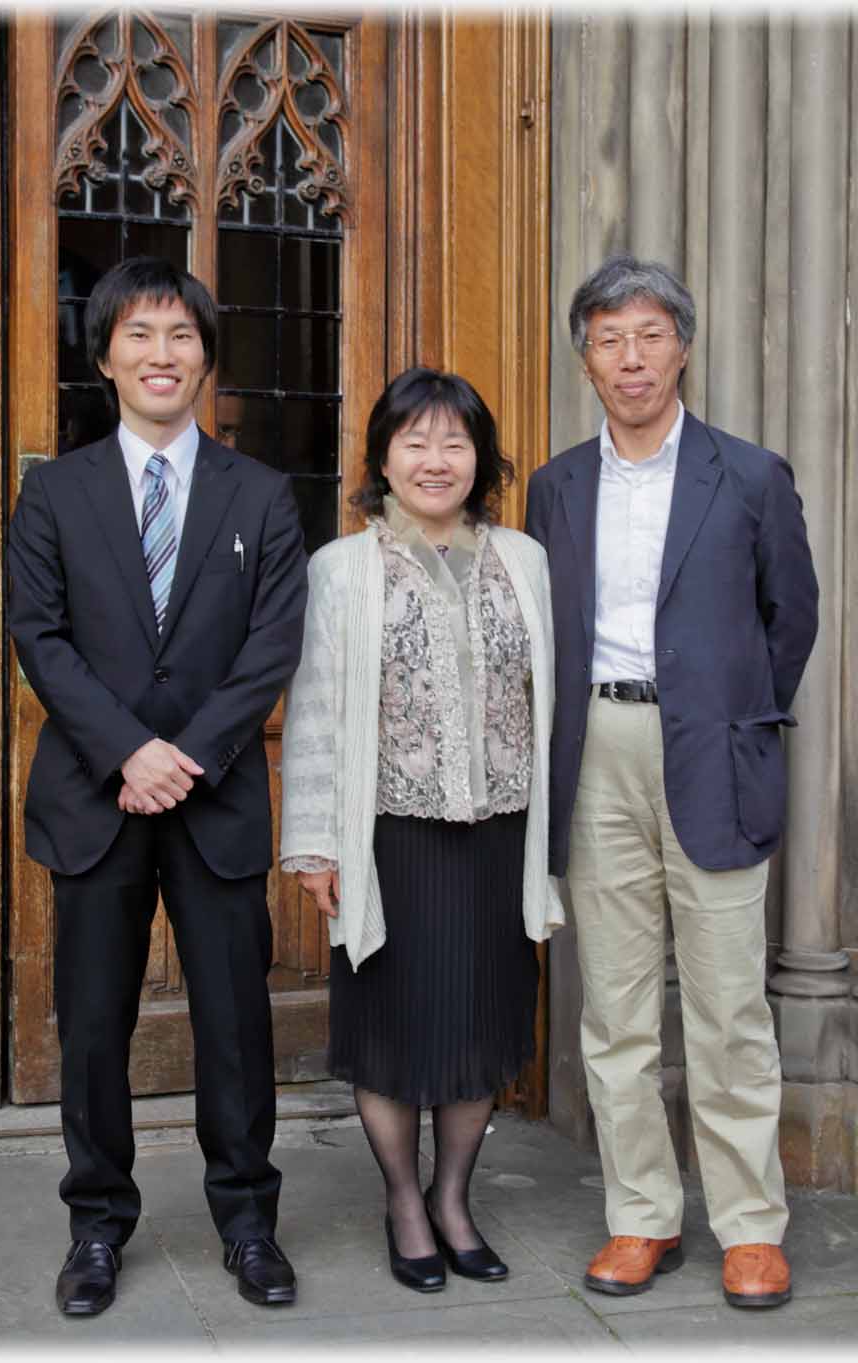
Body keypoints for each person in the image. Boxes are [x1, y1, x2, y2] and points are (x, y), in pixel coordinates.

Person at [6, 257, 308, 1316]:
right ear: (105, 358)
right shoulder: (55, 491)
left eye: (180, 335)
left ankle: (248, 1221)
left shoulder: (260, 495)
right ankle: (96, 1224)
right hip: (97, 796)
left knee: (234, 1021)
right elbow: (38, 636)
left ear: (205, 356)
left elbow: (272, 643)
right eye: (139, 335)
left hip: (216, 796)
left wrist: (191, 754)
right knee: (93, 1023)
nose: (161, 354)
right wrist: (128, 752)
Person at [525, 254, 819, 1308]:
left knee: (732, 1002)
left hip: (713, 752)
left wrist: (734, 709)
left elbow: (793, 618)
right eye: (610, 338)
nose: (632, 357)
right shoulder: (556, 486)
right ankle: (641, 1214)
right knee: (614, 1006)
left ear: (683, 347)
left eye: (650, 335)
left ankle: (749, 1226)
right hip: (593, 748)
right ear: (585, 357)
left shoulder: (748, 475)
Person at [279, 367, 563, 1292]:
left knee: (483, 1021)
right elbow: (316, 707)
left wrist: (550, 842)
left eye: (454, 442)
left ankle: (453, 1197)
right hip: (389, 837)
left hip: (499, 834)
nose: (435, 460)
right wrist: (317, 840)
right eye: (415, 441)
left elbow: (543, 701)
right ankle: (403, 1200)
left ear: (478, 458)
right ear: (382, 458)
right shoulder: (342, 570)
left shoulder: (523, 559)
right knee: (394, 1028)